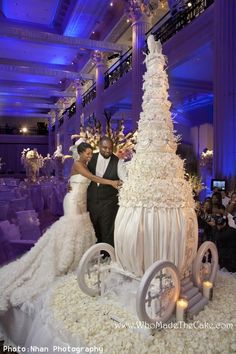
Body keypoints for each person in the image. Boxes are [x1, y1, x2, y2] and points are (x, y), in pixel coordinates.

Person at [0, 142, 120, 312]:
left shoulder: (86, 164)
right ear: (79, 154)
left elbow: (85, 181)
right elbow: (93, 179)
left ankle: (76, 260)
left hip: (82, 201)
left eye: (89, 154)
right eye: (86, 154)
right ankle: (63, 260)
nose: (89, 156)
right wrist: (112, 182)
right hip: (72, 201)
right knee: (71, 229)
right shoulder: (78, 164)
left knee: (81, 230)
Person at [87, 136, 126, 247]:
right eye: (104, 148)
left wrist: (120, 184)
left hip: (109, 204)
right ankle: (94, 254)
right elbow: (81, 174)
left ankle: (107, 257)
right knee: (92, 231)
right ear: (99, 146)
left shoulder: (118, 162)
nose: (108, 150)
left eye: (110, 148)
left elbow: (125, 181)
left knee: (107, 232)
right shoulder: (91, 158)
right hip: (91, 202)